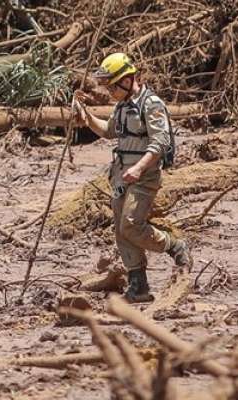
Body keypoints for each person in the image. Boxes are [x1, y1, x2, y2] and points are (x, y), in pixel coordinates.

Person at [73, 53, 192, 303]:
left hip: (144, 175)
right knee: (120, 229)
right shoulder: (122, 106)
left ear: (127, 80)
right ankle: (138, 284)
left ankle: (172, 245)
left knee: (130, 223)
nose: (108, 91)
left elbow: (161, 142)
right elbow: (108, 131)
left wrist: (139, 168)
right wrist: (86, 117)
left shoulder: (152, 104)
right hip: (120, 175)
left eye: (111, 85)